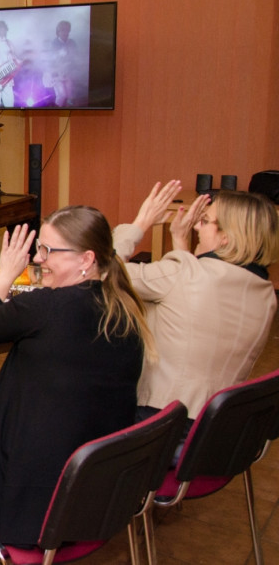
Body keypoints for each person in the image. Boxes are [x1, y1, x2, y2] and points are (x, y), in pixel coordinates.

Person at [0, 209, 154, 548]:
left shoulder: (46, 307)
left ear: (87, 258)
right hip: (90, 490)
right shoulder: (124, 309)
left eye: (48, 251)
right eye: (40, 248)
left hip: (27, 492)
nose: (38, 259)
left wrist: (5, 274)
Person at [114, 180, 279, 421]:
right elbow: (195, 307)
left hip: (156, 421)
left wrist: (141, 223)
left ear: (226, 237)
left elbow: (104, 272)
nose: (197, 228)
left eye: (204, 221)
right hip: (213, 428)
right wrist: (182, 246)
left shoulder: (182, 274)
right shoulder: (266, 296)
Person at [43, 20, 78, 107]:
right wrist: (54, 74)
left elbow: (76, 59)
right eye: (62, 30)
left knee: (70, 96)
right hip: (56, 74)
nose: (65, 32)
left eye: (67, 30)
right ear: (58, 32)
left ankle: (69, 113)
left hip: (68, 73)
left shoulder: (72, 43)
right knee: (62, 96)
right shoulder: (53, 44)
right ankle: (56, 114)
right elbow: (49, 62)